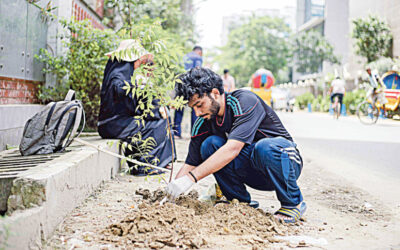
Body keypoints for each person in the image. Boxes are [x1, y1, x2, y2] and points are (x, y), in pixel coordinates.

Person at [166, 67, 306, 223]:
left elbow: (232, 149)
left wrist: (191, 179)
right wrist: (171, 194)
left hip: (284, 163)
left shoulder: (244, 101)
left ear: (215, 93)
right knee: (210, 145)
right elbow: (190, 163)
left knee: (264, 148)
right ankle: (238, 201)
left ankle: (293, 203)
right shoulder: (203, 122)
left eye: (199, 105)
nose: (197, 113)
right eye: (193, 108)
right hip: (253, 173)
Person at [98, 39, 175, 176]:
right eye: (138, 61)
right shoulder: (118, 80)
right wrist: (154, 111)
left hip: (115, 122)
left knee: (162, 115)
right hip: (114, 124)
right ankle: (146, 166)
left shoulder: (117, 74)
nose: (139, 64)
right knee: (160, 121)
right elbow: (130, 103)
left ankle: (154, 162)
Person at [173, 46, 203, 138]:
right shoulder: (198, 58)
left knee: (179, 109)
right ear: (200, 52)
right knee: (194, 109)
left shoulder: (184, 57)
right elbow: (198, 72)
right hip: (192, 87)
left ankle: (176, 133)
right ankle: (194, 133)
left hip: (181, 85)